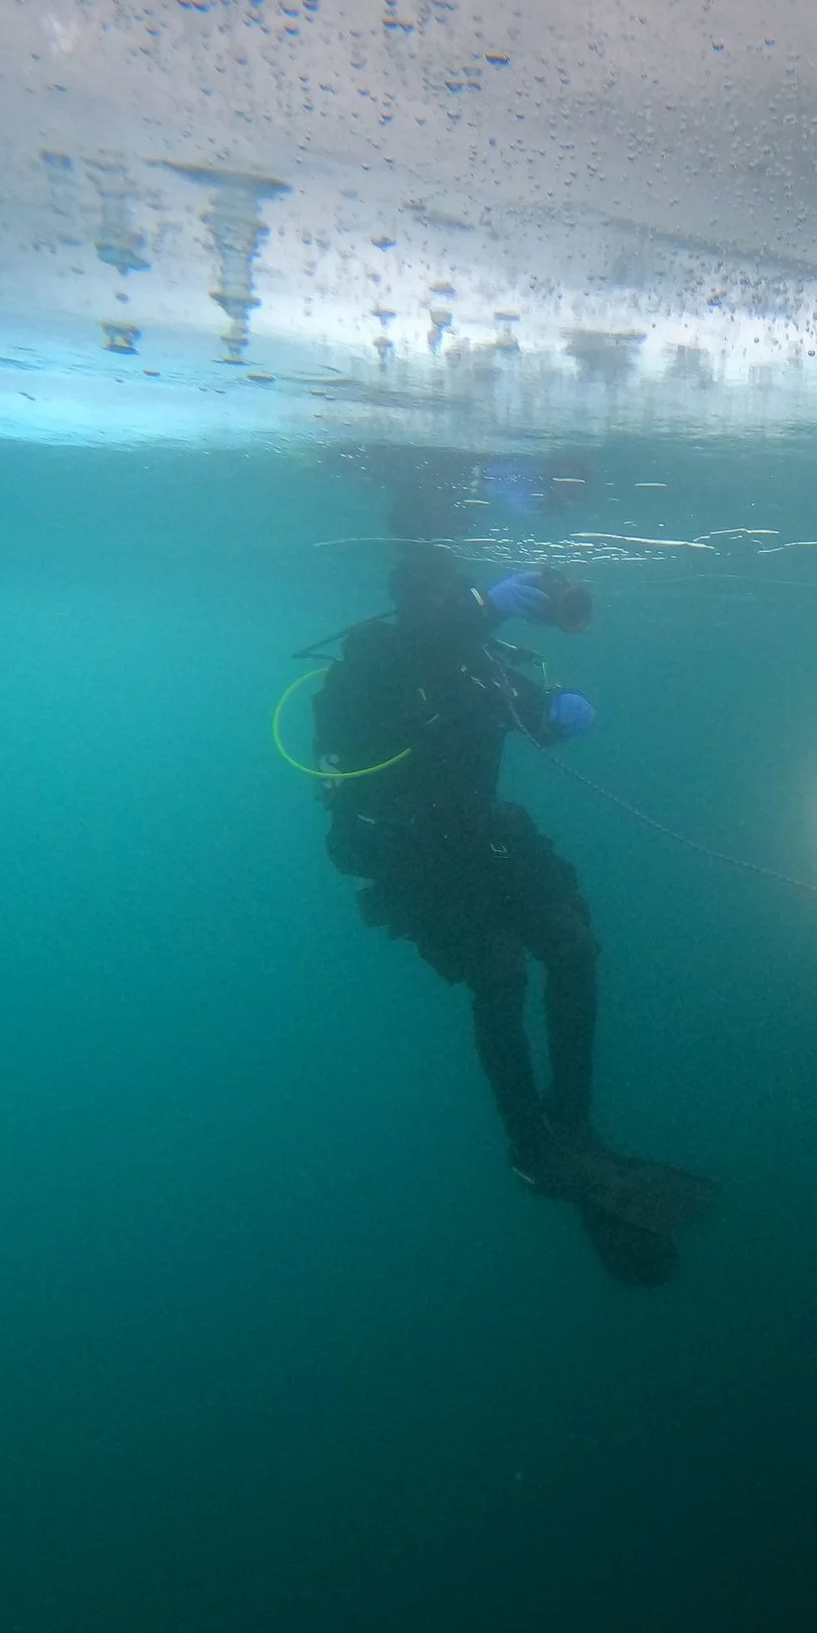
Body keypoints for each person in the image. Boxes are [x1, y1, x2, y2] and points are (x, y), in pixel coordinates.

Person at [310, 541, 715, 1284]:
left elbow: (522, 713)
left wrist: (557, 714)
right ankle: (530, 1145)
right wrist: (482, 608)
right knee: (499, 973)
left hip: (484, 837)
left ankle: (574, 1124)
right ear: (409, 602)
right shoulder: (375, 659)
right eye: (438, 597)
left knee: (574, 946)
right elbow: (395, 676)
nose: (450, 606)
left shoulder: (475, 658)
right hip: (412, 855)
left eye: (456, 593)